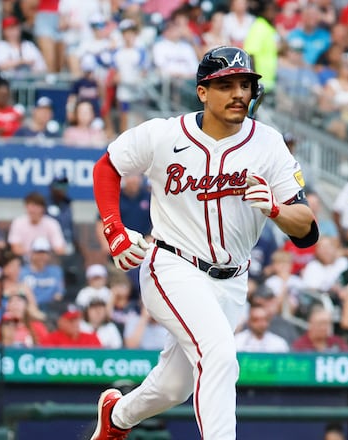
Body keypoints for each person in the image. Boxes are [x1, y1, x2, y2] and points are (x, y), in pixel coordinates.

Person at [89, 46, 318, 440]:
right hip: (173, 264)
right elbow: (108, 166)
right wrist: (114, 229)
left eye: (245, 84)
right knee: (219, 356)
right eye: (225, 85)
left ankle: (117, 417)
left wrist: (277, 209)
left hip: (231, 281)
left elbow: (308, 230)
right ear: (202, 92)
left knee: (174, 387)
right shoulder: (164, 133)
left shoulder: (268, 143)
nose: (238, 93)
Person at [7, 191, 66, 257]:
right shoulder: (18, 222)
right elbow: (15, 248)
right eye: (32, 206)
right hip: (24, 262)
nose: (34, 210)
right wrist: (35, 255)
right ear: (26, 207)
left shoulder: (52, 224)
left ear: (43, 208)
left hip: (47, 262)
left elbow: (60, 249)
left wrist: (43, 254)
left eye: (37, 206)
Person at [19, 237, 64, 307]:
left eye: (44, 253)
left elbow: (59, 294)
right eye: (38, 252)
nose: (41, 256)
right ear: (32, 253)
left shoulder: (56, 271)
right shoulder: (22, 272)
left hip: (51, 308)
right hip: (29, 308)